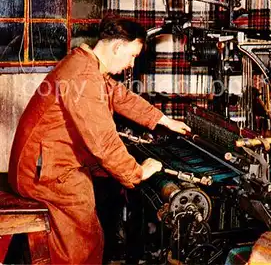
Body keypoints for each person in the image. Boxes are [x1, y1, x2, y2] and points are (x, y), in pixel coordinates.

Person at [8, 16, 191, 264]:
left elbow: (120, 96)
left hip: (43, 162)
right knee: (86, 237)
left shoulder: (86, 64)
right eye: (132, 56)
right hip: (44, 173)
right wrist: (137, 172)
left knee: (103, 189)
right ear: (117, 47)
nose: (130, 64)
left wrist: (163, 120)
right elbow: (103, 140)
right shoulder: (83, 74)